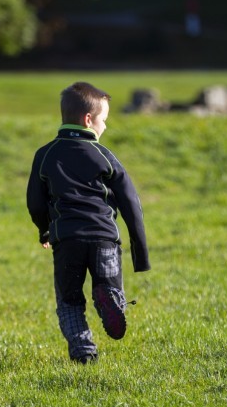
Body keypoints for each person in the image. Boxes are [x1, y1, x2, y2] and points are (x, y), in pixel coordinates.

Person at [27, 81, 150, 364]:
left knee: (70, 302)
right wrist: (140, 253)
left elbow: (35, 201)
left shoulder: (45, 154)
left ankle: (84, 352)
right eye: (103, 120)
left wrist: (44, 228)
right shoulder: (104, 156)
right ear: (88, 120)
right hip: (104, 238)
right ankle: (110, 298)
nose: (105, 127)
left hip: (67, 240)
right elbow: (131, 202)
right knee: (108, 284)